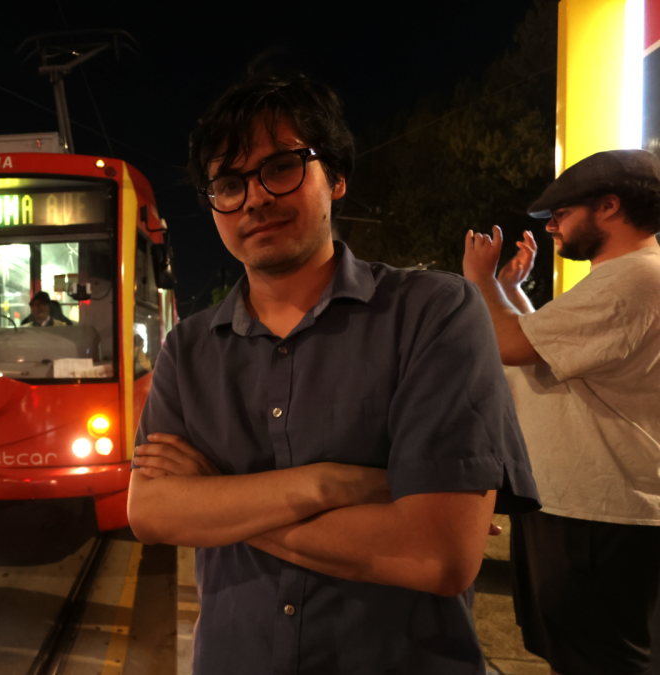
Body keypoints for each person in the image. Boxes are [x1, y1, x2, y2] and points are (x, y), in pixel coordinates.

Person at [127, 65, 540, 675]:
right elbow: (152, 513)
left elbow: (437, 555)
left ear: (337, 177)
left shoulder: (434, 312)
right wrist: (340, 484)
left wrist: (217, 505)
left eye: (281, 167)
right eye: (229, 183)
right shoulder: (188, 348)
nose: (256, 197)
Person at [462, 149, 660, 675]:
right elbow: (548, 351)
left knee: (599, 656)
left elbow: (509, 344)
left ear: (610, 207)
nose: (552, 228)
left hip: (599, 511)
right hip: (585, 504)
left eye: (561, 214)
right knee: (580, 648)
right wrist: (509, 290)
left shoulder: (633, 281)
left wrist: (480, 280)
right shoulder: (625, 279)